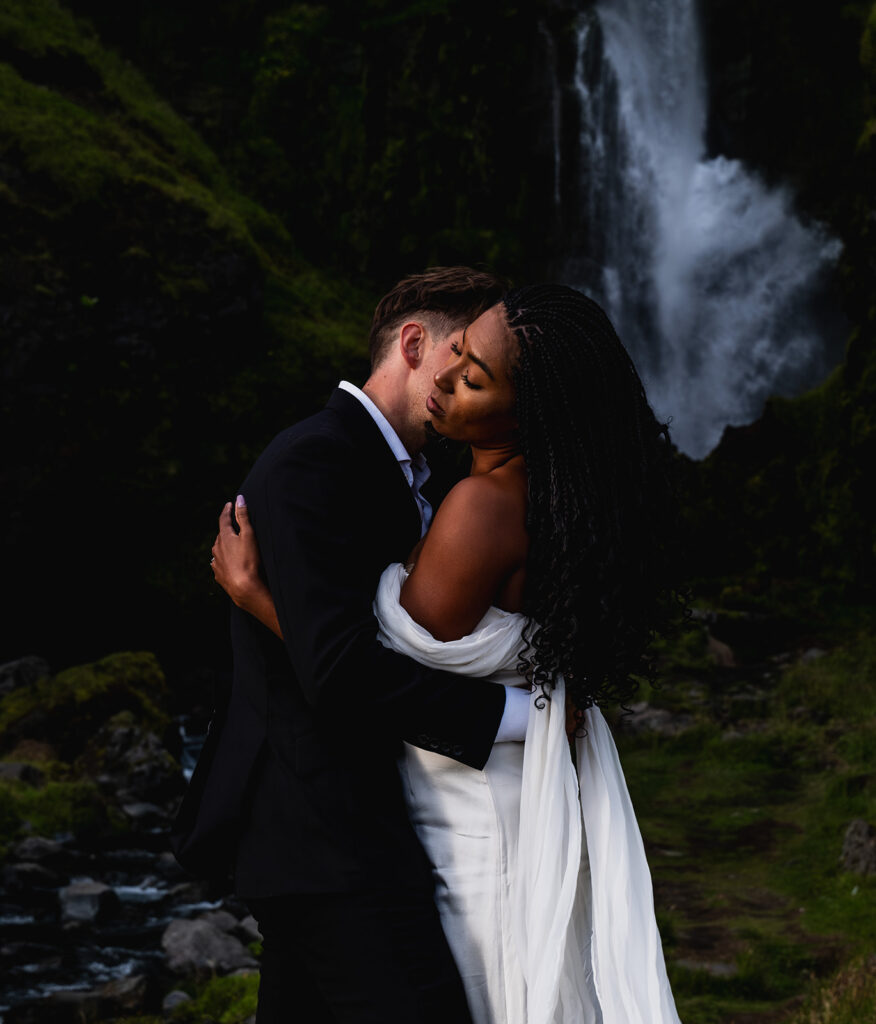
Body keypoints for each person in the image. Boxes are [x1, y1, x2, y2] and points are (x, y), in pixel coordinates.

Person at [213, 284, 686, 1024]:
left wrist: (260, 600)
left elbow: (381, 661)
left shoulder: (478, 505)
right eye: (456, 354)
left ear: (530, 413)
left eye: (471, 378)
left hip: (469, 810)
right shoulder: (543, 492)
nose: (445, 381)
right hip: (471, 794)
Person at [172, 266, 537, 1024]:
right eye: (460, 357)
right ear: (413, 343)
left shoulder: (425, 475)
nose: (463, 383)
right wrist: (514, 717)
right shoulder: (315, 460)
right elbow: (336, 669)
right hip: (322, 829)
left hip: (351, 823)